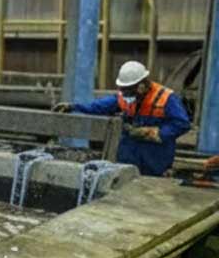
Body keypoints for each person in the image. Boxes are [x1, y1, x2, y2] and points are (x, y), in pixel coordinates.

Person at [53, 60, 190, 176]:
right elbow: (99, 106)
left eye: (128, 90)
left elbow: (182, 123)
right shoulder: (123, 97)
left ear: (141, 85)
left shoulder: (166, 98)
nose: (124, 94)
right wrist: (74, 107)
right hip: (127, 157)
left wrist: (154, 133)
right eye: (123, 89)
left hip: (154, 159)